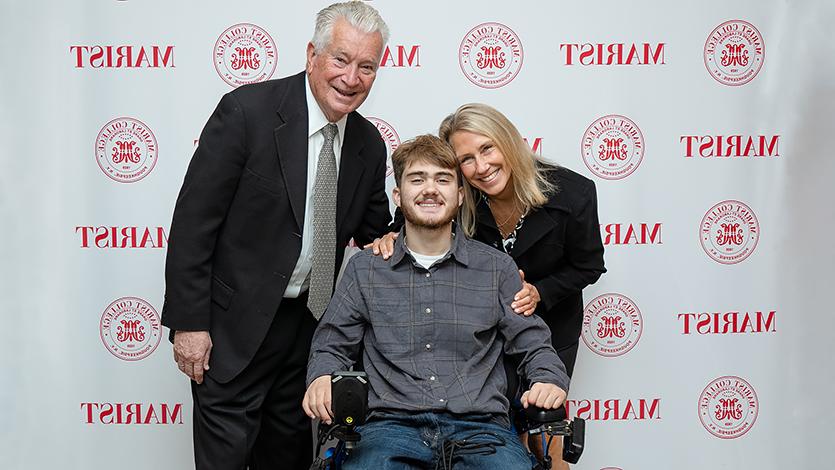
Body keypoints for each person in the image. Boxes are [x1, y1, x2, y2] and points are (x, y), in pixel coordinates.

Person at [161, 3, 391, 468]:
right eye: (341, 60)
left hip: (308, 331)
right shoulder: (246, 112)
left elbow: (375, 232)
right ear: (312, 54)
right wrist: (189, 325)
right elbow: (193, 223)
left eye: (366, 66)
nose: (351, 78)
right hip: (232, 329)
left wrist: (395, 236)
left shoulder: (368, 142)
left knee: (286, 458)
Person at [303, 135, 570, 469]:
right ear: (398, 197)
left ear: (460, 196)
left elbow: (533, 343)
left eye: (442, 179)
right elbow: (331, 343)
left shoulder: (496, 268)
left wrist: (547, 378)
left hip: (482, 429)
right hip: (388, 427)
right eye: (417, 179)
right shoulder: (366, 268)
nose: (430, 189)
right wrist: (321, 377)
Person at [372, 103, 606, 466]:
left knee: (544, 428)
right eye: (466, 159)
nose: (481, 167)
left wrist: (539, 291)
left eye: (487, 149)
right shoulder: (463, 195)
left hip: (541, 322)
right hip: (473, 328)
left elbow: (589, 266)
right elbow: (415, 214)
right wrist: (388, 237)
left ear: (508, 142)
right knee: (487, 421)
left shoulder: (574, 194)